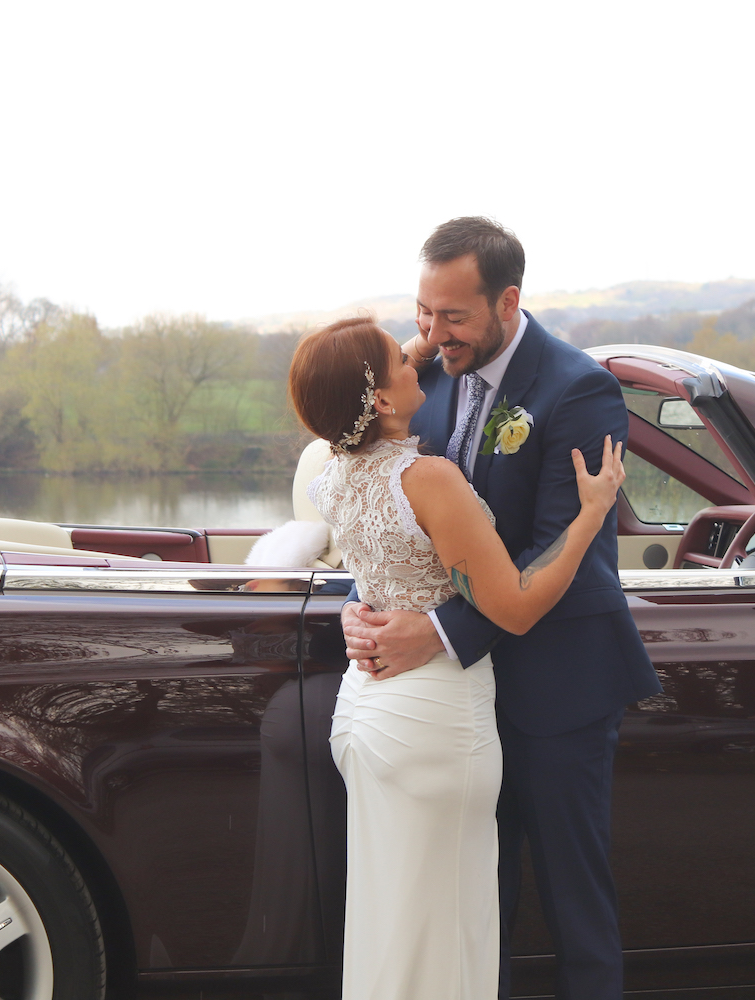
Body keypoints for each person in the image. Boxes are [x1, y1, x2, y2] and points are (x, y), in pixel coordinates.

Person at [342, 218, 662, 1000]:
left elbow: (557, 547)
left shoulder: (578, 389)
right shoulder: (427, 378)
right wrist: (364, 603)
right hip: (451, 709)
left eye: (453, 316)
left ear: (507, 301)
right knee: (476, 905)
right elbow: (397, 510)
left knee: (572, 901)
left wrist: (440, 631)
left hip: (556, 685)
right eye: (422, 310)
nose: (431, 331)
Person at [291, 316, 624, 1000]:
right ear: (379, 398)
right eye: (404, 353)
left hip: (369, 710)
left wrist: (391, 353)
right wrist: (592, 515)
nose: (425, 350)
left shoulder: (335, 471)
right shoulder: (429, 477)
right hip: (432, 722)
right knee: (447, 922)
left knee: (397, 918)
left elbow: (382, 555)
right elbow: (517, 604)